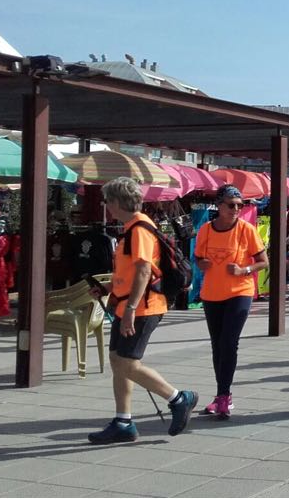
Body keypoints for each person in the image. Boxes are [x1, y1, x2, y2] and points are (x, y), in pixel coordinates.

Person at [87, 177, 197, 444]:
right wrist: (108, 288)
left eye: (107, 201)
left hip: (143, 308)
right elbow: (128, 271)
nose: (106, 207)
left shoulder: (139, 229)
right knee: (118, 361)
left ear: (117, 201)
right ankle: (123, 422)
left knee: (128, 363)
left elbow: (144, 270)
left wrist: (131, 310)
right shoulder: (130, 228)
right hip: (127, 305)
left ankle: (178, 398)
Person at [194, 185, 269, 419]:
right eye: (231, 204)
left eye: (240, 205)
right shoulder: (206, 229)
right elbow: (198, 257)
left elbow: (263, 261)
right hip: (212, 294)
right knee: (217, 345)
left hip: (240, 291)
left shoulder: (246, 229)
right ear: (219, 205)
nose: (236, 209)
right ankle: (220, 395)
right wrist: (201, 264)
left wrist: (244, 269)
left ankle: (224, 396)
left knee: (228, 342)